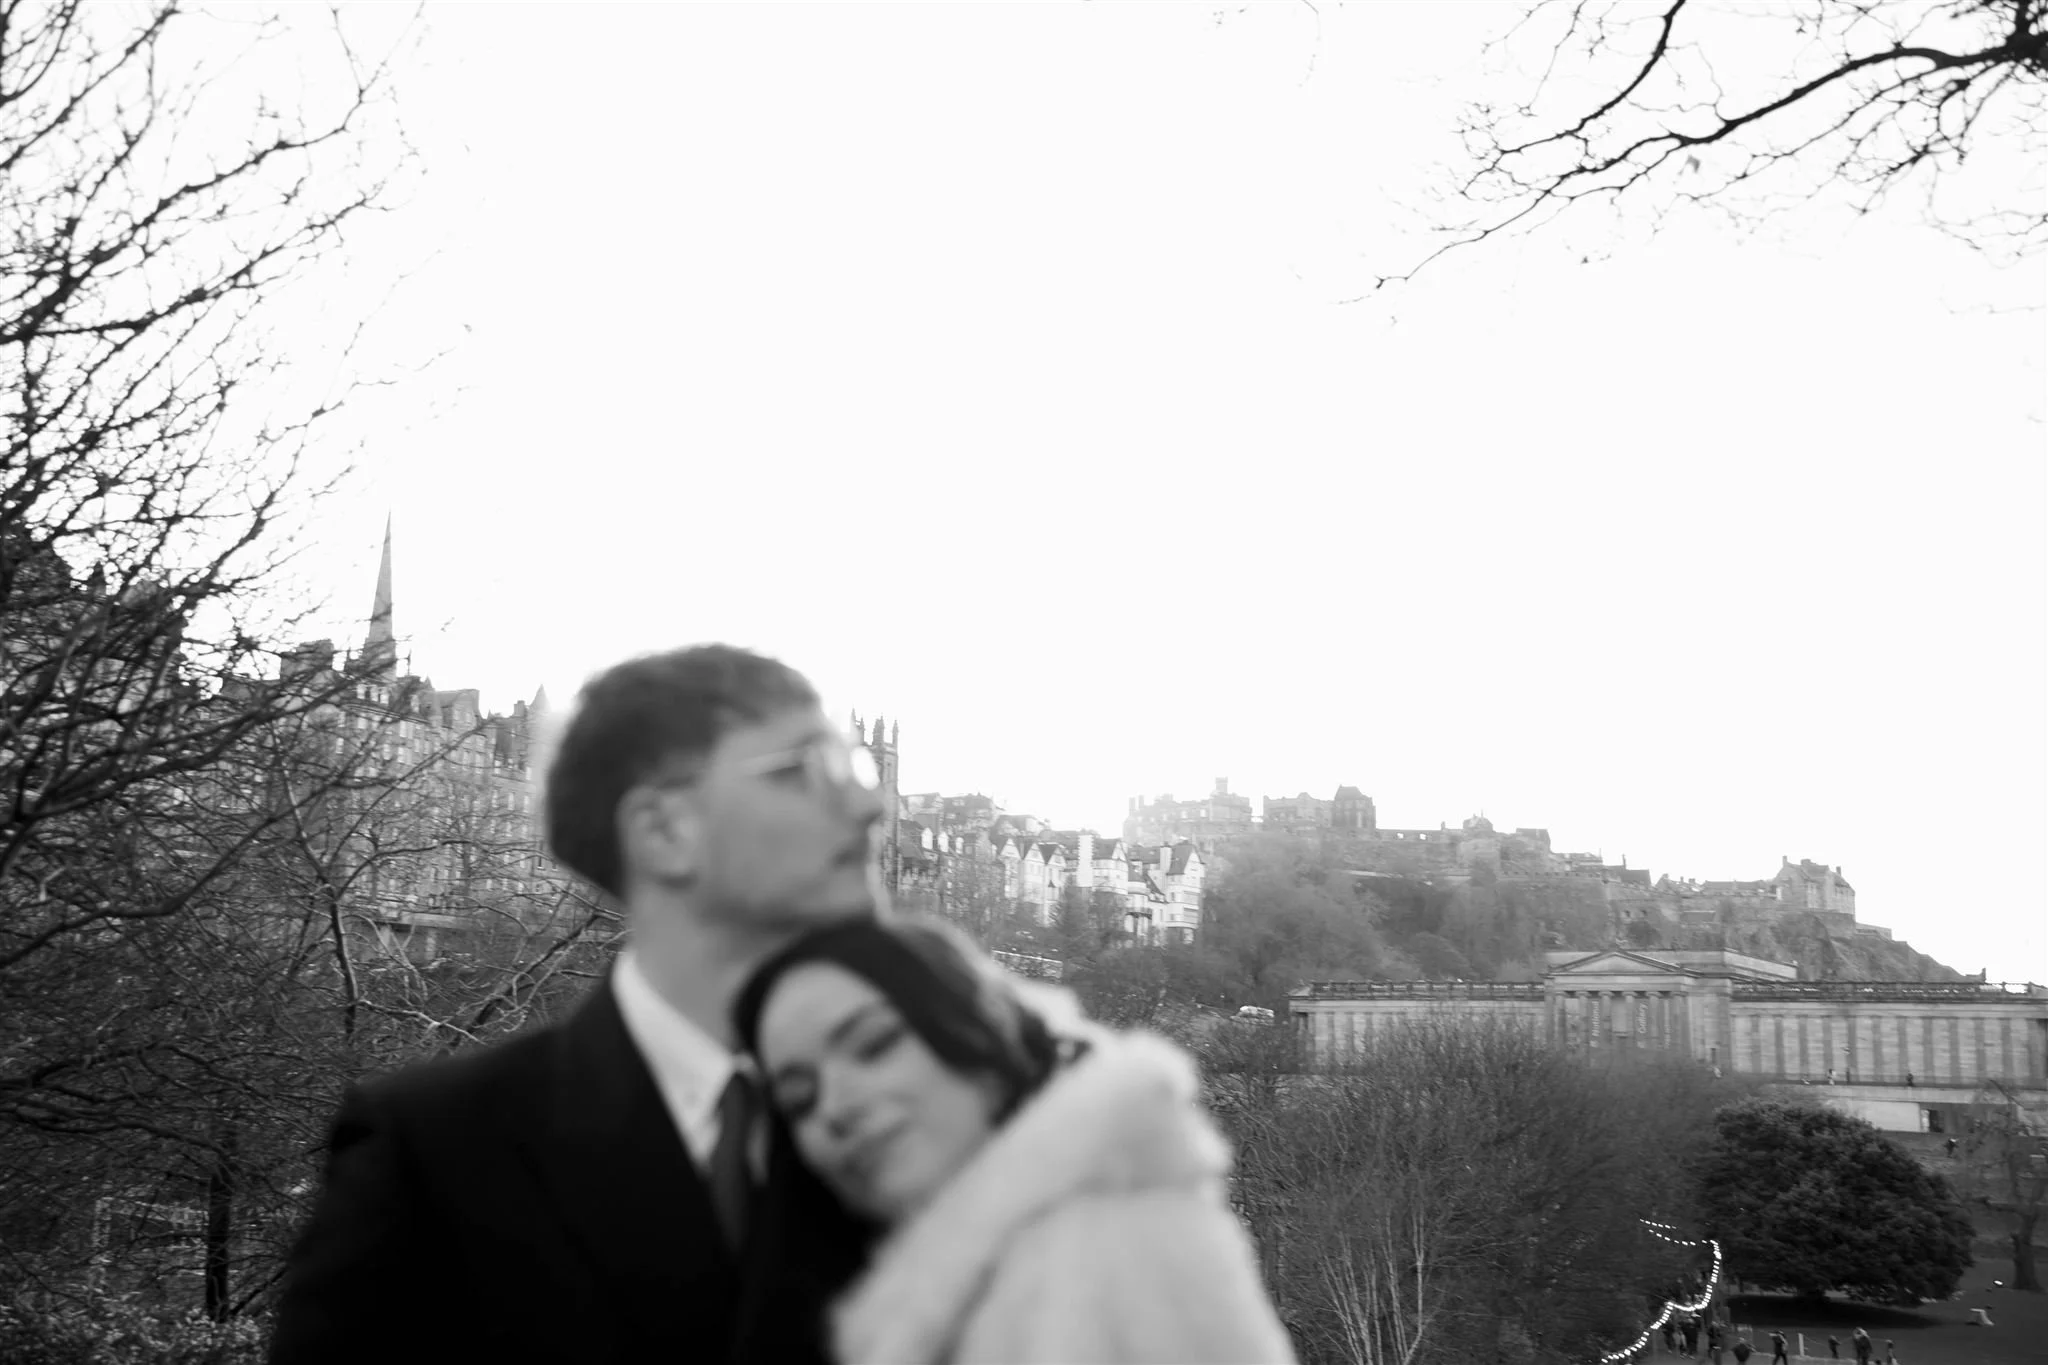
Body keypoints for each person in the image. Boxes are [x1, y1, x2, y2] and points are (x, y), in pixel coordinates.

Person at [269, 646, 884, 1364]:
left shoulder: (941, 1116)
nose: (872, 804)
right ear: (662, 831)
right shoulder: (437, 1152)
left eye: (860, 769)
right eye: (806, 770)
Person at [733, 915, 1298, 1365]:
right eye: (798, 1099)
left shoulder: (1116, 1251)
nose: (835, 1107)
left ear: (978, 1038)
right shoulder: (933, 1289)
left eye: (875, 1044)